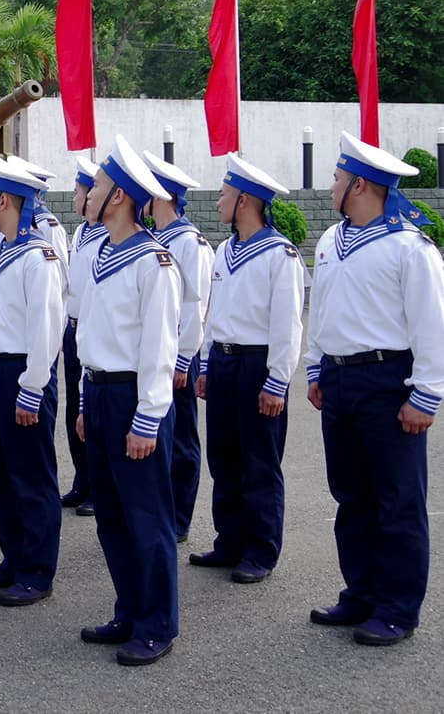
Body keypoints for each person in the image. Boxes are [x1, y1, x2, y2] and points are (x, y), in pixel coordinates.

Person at [304, 131, 444, 646]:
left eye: (338, 178)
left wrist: (425, 394)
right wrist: (316, 367)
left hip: (388, 381)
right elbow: (323, 310)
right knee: (352, 495)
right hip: (341, 379)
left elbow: (432, 325)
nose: (332, 186)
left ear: (359, 185)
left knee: (397, 500)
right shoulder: (330, 241)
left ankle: (397, 608)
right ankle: (360, 592)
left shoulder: (411, 248)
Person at [73, 135, 181, 666]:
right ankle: (129, 609)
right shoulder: (100, 252)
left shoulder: (153, 262)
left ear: (118, 197)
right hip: (99, 392)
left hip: (133, 398)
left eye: (96, 185)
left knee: (146, 516)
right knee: (112, 515)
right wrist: (80, 400)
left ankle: (157, 623)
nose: (89, 192)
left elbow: (160, 347)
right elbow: (89, 336)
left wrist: (147, 420)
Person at [190, 153, 304, 585]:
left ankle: (261, 549)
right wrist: (205, 361)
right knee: (224, 456)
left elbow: (287, 323)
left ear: (244, 201)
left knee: (259, 460)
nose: (218, 201)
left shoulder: (281, 255)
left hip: (258, 364)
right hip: (223, 360)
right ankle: (230, 540)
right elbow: (214, 310)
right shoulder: (224, 250)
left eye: (223, 194)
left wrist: (277, 380)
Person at [0, 153, 64, 608]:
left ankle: (37, 569)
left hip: (25, 372)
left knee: (31, 475)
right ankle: (14, 557)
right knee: (2, 472)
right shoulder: (0, 250)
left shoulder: (38, 257)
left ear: (6, 199)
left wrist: (32, 386)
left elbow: (45, 328)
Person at [144, 152, 214, 543]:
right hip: (156, 352)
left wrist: (184, 360)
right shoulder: (154, 239)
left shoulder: (190, 243)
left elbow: (196, 307)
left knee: (182, 439)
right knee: (160, 437)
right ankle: (162, 511)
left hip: (179, 355)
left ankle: (180, 518)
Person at [61, 156, 107, 516]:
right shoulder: (80, 232)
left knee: (91, 410)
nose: (77, 199)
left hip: (94, 328)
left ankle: (96, 485)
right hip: (73, 327)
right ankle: (82, 477)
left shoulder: (108, 233)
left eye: (79, 192)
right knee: (74, 408)